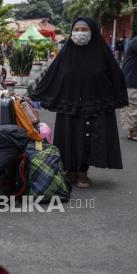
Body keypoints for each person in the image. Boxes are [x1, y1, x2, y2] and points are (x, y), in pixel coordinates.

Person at [29, 17, 128, 188]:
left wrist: (110, 98)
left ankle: (83, 172)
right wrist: (32, 95)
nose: (80, 33)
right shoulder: (66, 53)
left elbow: (116, 77)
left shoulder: (102, 53)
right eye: (77, 29)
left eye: (84, 30)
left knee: (89, 139)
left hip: (93, 105)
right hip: (69, 105)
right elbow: (51, 76)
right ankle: (70, 170)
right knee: (69, 137)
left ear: (92, 32)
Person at [121, 36, 137, 142]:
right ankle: (133, 132)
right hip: (132, 80)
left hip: (132, 79)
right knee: (133, 106)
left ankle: (133, 131)